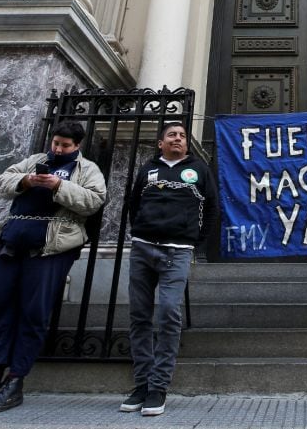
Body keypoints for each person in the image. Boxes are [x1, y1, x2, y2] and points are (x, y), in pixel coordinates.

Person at [0, 121, 107, 414]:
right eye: (56, 143)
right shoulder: (35, 162)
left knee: (33, 312)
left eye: (65, 145)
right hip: (12, 244)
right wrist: (26, 181)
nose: (58, 149)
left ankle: (15, 380)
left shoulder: (87, 169)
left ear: (77, 146)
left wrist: (59, 186)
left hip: (51, 249)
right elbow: (1, 182)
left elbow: (94, 201)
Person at [120, 122, 218, 417]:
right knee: (139, 315)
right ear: (160, 142)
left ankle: (158, 387)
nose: (179, 139)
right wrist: (140, 230)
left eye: (183, 136)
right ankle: (141, 384)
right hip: (143, 249)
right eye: (172, 135)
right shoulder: (147, 170)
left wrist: (194, 241)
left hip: (177, 252)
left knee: (169, 313)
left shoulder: (199, 169)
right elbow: (132, 202)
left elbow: (212, 207)